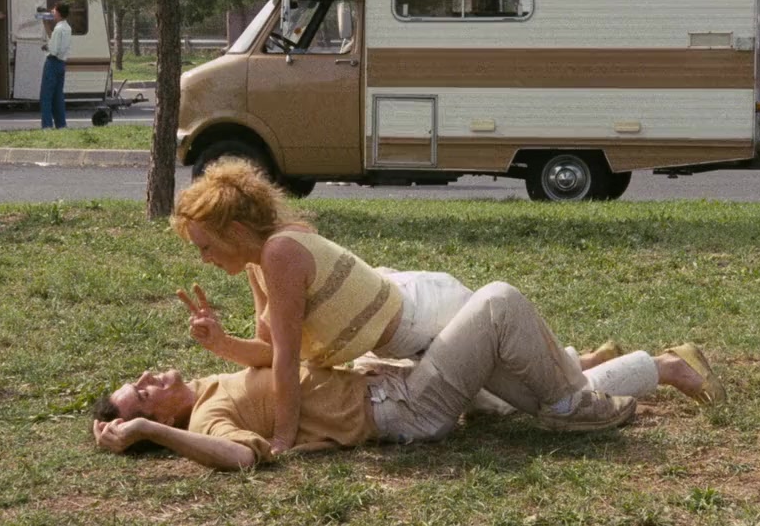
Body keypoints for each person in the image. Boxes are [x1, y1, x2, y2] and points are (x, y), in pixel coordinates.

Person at [92, 282, 725, 469]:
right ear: (162, 416)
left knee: (513, 399)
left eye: (139, 380)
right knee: (497, 304)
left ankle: (661, 367)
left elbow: (279, 356)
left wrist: (222, 341)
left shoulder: (211, 384)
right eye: (142, 394)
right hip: (403, 406)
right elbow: (239, 459)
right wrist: (149, 431)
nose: (147, 377)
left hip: (395, 378)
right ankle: (576, 391)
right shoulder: (205, 418)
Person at [171, 159, 473, 454]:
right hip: (400, 334)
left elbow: (287, 360)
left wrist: (283, 437)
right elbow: (270, 353)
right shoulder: (258, 262)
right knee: (480, 402)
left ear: (236, 232)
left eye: (206, 247)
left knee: (492, 393)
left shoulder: (279, 253)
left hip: (425, 317)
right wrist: (220, 343)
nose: (204, 258)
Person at [40, 2, 71, 129]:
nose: (52, 12)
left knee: (46, 96)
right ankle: (61, 124)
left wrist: (46, 47)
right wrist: (46, 24)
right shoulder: (67, 27)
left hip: (52, 62)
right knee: (58, 96)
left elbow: (54, 49)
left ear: (58, 13)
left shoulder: (58, 29)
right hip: (61, 64)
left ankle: (47, 125)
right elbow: (54, 39)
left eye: (53, 10)